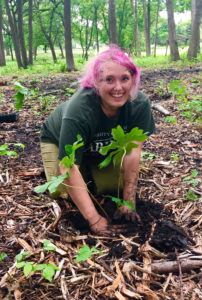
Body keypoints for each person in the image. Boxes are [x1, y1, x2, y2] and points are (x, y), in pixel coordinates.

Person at [40, 46, 155, 235]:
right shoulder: (79, 110)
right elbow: (67, 166)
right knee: (62, 191)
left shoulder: (139, 104)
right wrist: (94, 219)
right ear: (96, 82)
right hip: (57, 138)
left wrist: (128, 202)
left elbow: (133, 152)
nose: (118, 88)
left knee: (111, 187)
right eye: (109, 79)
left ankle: (86, 167)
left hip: (100, 146)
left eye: (124, 79)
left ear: (133, 79)